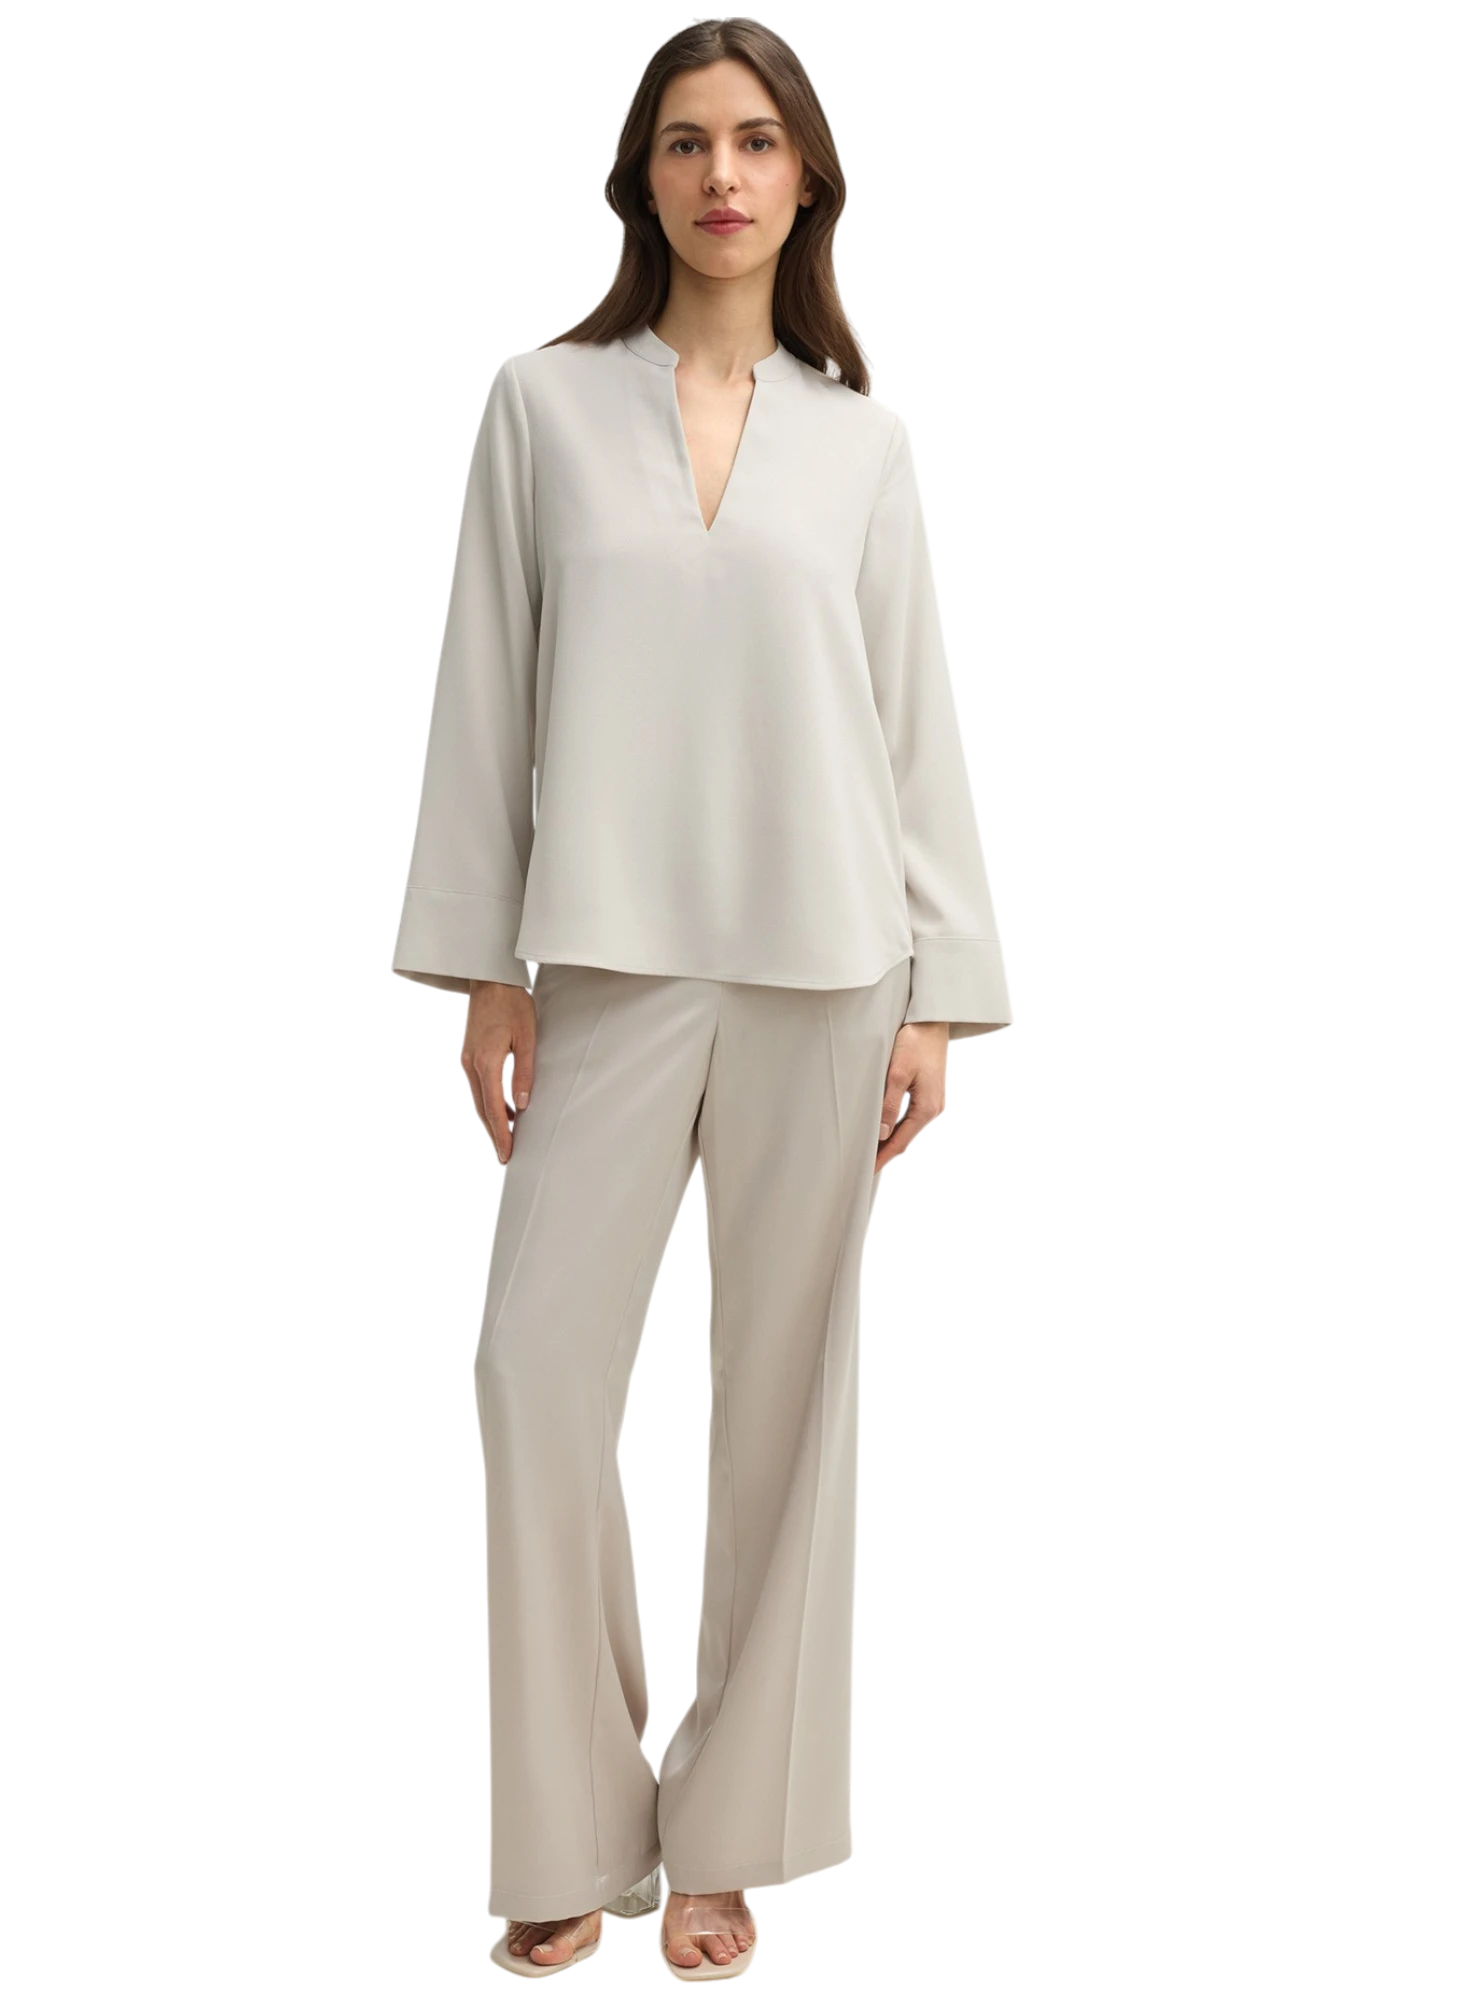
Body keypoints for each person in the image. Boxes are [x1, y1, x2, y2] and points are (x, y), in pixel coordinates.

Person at [385, 18, 1012, 1983]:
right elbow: (485, 690)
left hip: (832, 962)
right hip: (599, 957)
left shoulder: (866, 442)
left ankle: (732, 1834)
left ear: (804, 177)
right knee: (535, 1368)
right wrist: (485, 968)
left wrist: (938, 994)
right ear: (640, 180)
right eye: (683, 142)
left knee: (788, 1405)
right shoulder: (540, 405)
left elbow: (916, 725)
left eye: (752, 141)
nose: (719, 175)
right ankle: (570, 1829)